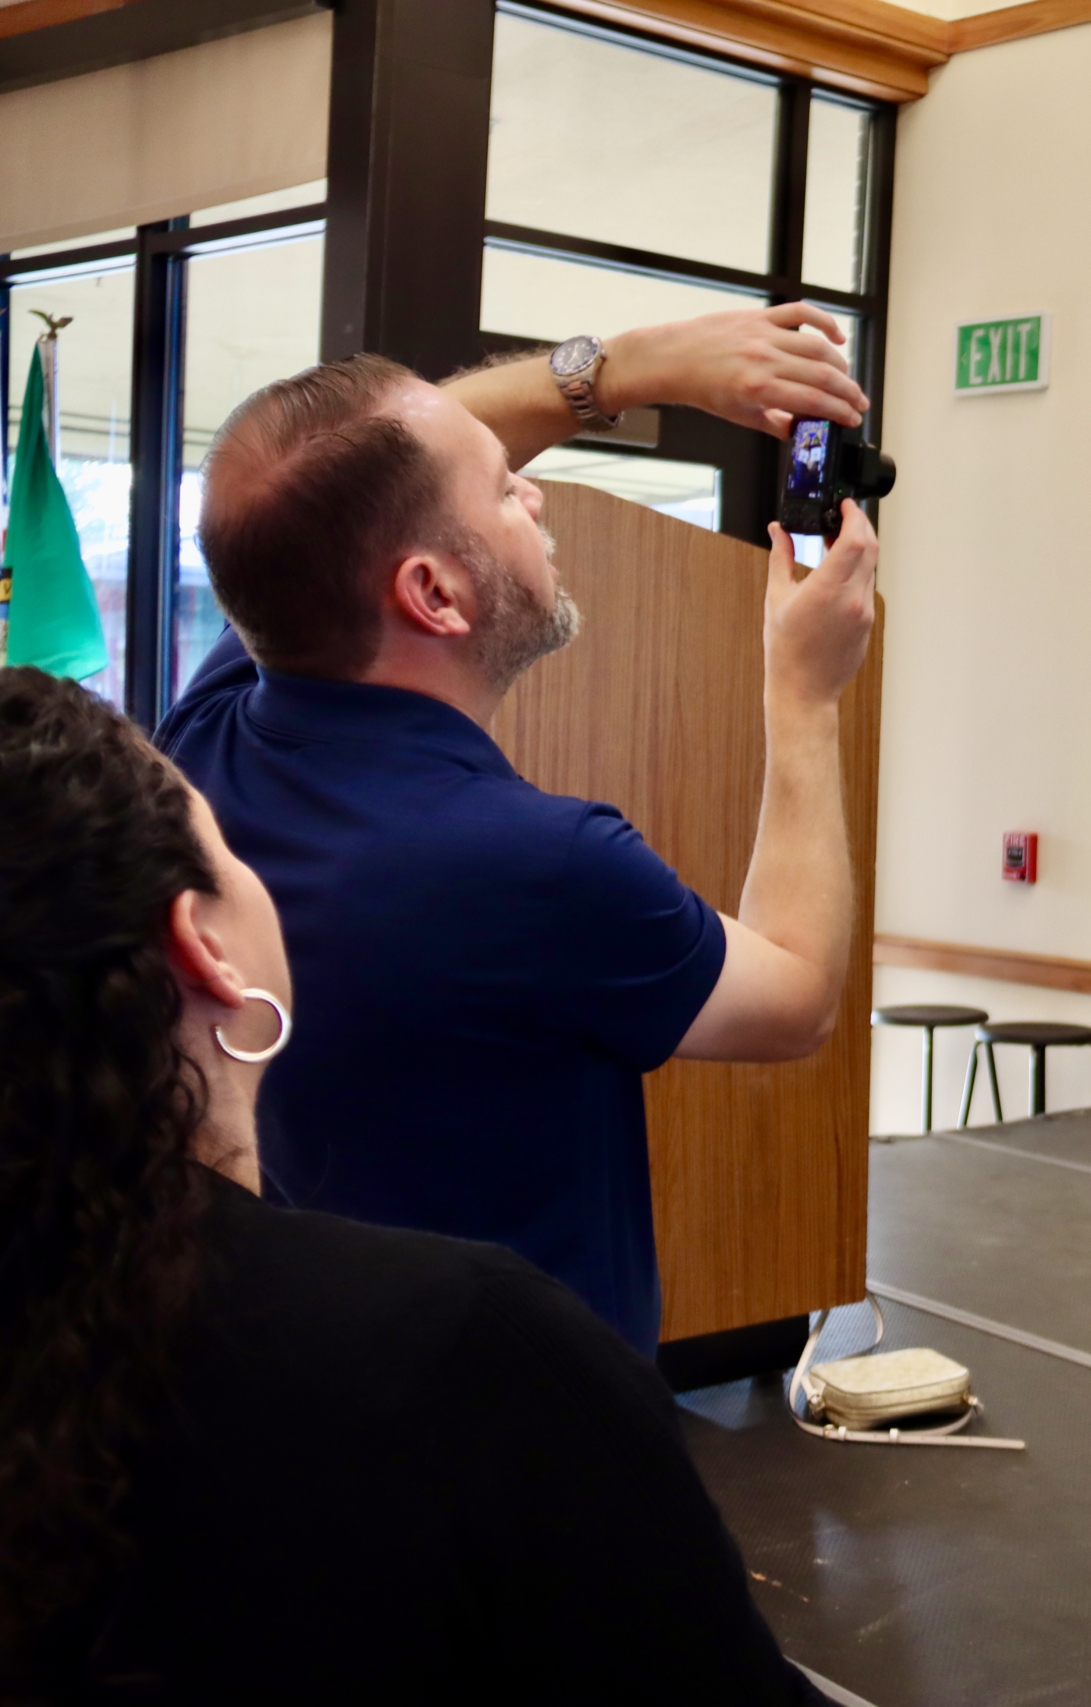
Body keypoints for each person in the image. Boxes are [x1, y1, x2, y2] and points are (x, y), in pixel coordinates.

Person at [0, 667, 823, 1701]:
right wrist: (803, 686)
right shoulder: (480, 1354)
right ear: (203, 949)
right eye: (229, 846)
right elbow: (799, 996)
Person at [155, 306, 878, 1350]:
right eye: (502, 490)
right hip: (528, 1454)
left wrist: (629, 370)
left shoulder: (205, 737)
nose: (532, 492)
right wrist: (804, 696)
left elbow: (347, 476)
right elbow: (798, 997)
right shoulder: (541, 866)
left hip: (304, 1404)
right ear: (433, 593)